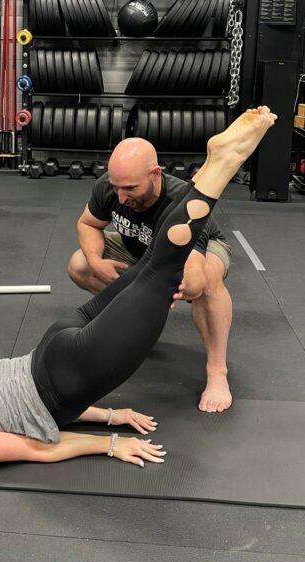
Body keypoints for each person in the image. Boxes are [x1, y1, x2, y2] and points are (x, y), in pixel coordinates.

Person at [0, 107, 277, 472]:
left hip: (71, 374)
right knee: (152, 266)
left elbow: (36, 447)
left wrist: (109, 445)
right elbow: (23, 409)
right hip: (55, 346)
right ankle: (214, 169)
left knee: (164, 268)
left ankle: (219, 166)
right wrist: (111, 417)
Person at [68, 139, 233, 413]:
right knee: (80, 264)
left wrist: (173, 287)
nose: (121, 197)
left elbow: (193, 276)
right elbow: (87, 223)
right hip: (141, 249)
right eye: (116, 187)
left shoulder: (182, 202)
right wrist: (97, 262)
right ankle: (138, 325)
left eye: (131, 188)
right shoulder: (110, 187)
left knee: (207, 283)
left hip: (198, 249)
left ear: (155, 174)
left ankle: (217, 372)